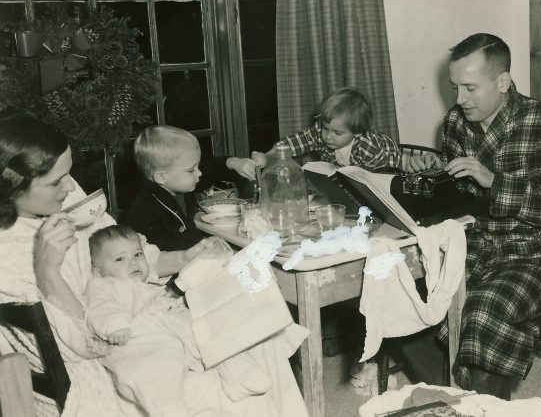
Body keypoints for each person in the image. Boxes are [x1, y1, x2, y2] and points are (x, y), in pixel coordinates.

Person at [0, 113, 309, 416]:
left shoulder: (65, 202)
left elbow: (132, 253)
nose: (71, 188)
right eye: (57, 182)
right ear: (11, 186)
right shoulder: (8, 255)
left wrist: (187, 257)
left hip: (151, 313)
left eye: (69, 174)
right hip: (111, 363)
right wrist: (48, 272)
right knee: (231, 356)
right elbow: (87, 347)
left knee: (252, 318)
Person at [408, 33, 541, 398]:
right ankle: (456, 394)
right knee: (405, 293)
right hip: (472, 247)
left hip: (536, 256)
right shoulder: (456, 123)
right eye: (455, 87)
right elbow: (458, 199)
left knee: (483, 310)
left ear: (502, 82)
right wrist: (434, 172)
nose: (459, 100)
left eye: (470, 88)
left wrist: (494, 182)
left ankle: (480, 402)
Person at [86, 225, 272, 416]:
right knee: (152, 369)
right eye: (120, 259)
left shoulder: (147, 283)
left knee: (215, 334)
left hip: (173, 329)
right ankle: (169, 410)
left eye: (138, 254)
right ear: (98, 272)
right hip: (139, 341)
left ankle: (242, 375)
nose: (133, 263)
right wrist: (115, 325)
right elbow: (101, 306)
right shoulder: (103, 285)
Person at [120, 124, 257, 251]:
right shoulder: (144, 211)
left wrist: (235, 163)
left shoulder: (179, 183)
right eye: (191, 170)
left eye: (197, 166)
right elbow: (157, 254)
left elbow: (210, 168)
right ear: (161, 177)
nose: (199, 173)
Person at [252, 87, 405, 171]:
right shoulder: (321, 132)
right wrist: (267, 157)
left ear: (357, 132)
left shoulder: (369, 147)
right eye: (326, 128)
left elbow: (376, 181)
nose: (328, 137)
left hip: (387, 169)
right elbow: (291, 143)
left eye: (337, 133)